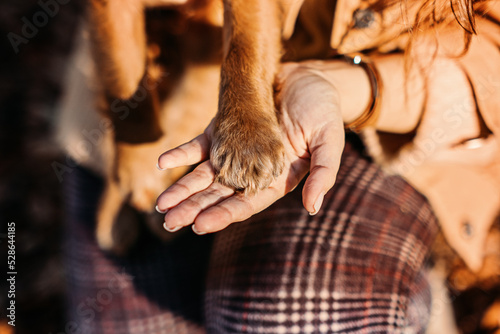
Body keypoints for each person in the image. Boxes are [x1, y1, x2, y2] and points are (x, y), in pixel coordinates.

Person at [62, 0, 500, 333]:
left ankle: (417, 299)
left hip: (401, 115)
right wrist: (134, 128)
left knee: (297, 313)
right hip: (168, 64)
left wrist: (347, 88)